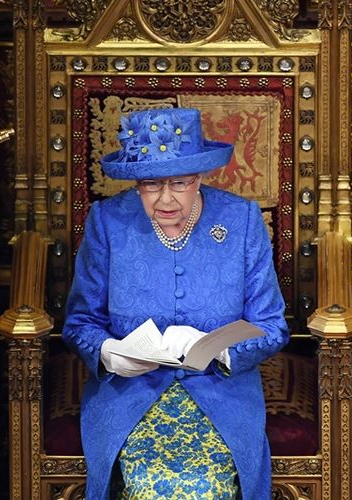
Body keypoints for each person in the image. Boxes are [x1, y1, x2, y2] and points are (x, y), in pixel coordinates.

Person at [63, 107, 289, 499]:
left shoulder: (241, 220)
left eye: (180, 183)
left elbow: (271, 325)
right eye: (151, 186)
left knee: (206, 488)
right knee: (147, 487)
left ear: (199, 178)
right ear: (136, 184)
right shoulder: (107, 221)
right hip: (130, 396)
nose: (165, 199)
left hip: (221, 395)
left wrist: (216, 349)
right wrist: (108, 353)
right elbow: (80, 322)